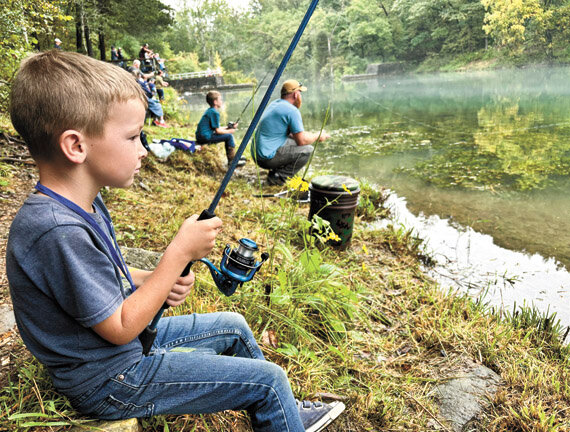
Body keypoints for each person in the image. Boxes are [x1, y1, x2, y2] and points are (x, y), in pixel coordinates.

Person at [6, 50, 345, 432]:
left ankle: (283, 412)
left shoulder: (81, 202)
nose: (143, 149)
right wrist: (176, 256)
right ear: (76, 146)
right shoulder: (56, 230)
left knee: (232, 326)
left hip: (117, 354)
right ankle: (277, 404)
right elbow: (119, 326)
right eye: (134, 136)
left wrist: (151, 277)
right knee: (269, 381)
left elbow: (105, 276)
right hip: (109, 378)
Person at [254, 80, 329, 186]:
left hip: (258, 154)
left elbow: (294, 135)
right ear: (296, 94)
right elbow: (301, 141)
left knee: (293, 142)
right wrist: (318, 136)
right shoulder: (291, 111)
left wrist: (312, 135)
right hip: (266, 158)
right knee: (307, 150)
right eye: (300, 93)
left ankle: (275, 173)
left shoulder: (275, 104)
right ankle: (279, 177)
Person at [195, 91, 246, 167]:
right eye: (220, 99)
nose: (222, 101)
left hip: (202, 136)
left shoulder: (210, 111)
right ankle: (232, 161)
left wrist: (229, 127)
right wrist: (230, 131)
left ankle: (234, 157)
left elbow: (216, 128)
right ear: (215, 102)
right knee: (229, 136)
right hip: (205, 137)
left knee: (228, 135)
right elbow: (218, 131)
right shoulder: (215, 113)